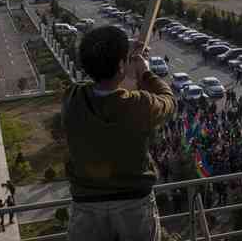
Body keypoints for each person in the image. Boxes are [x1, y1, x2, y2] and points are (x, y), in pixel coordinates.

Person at [62, 26, 175, 241]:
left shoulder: (72, 98)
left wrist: (120, 63)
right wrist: (145, 72)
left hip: (86, 203)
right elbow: (168, 101)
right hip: (133, 204)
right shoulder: (139, 105)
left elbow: (105, 92)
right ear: (122, 65)